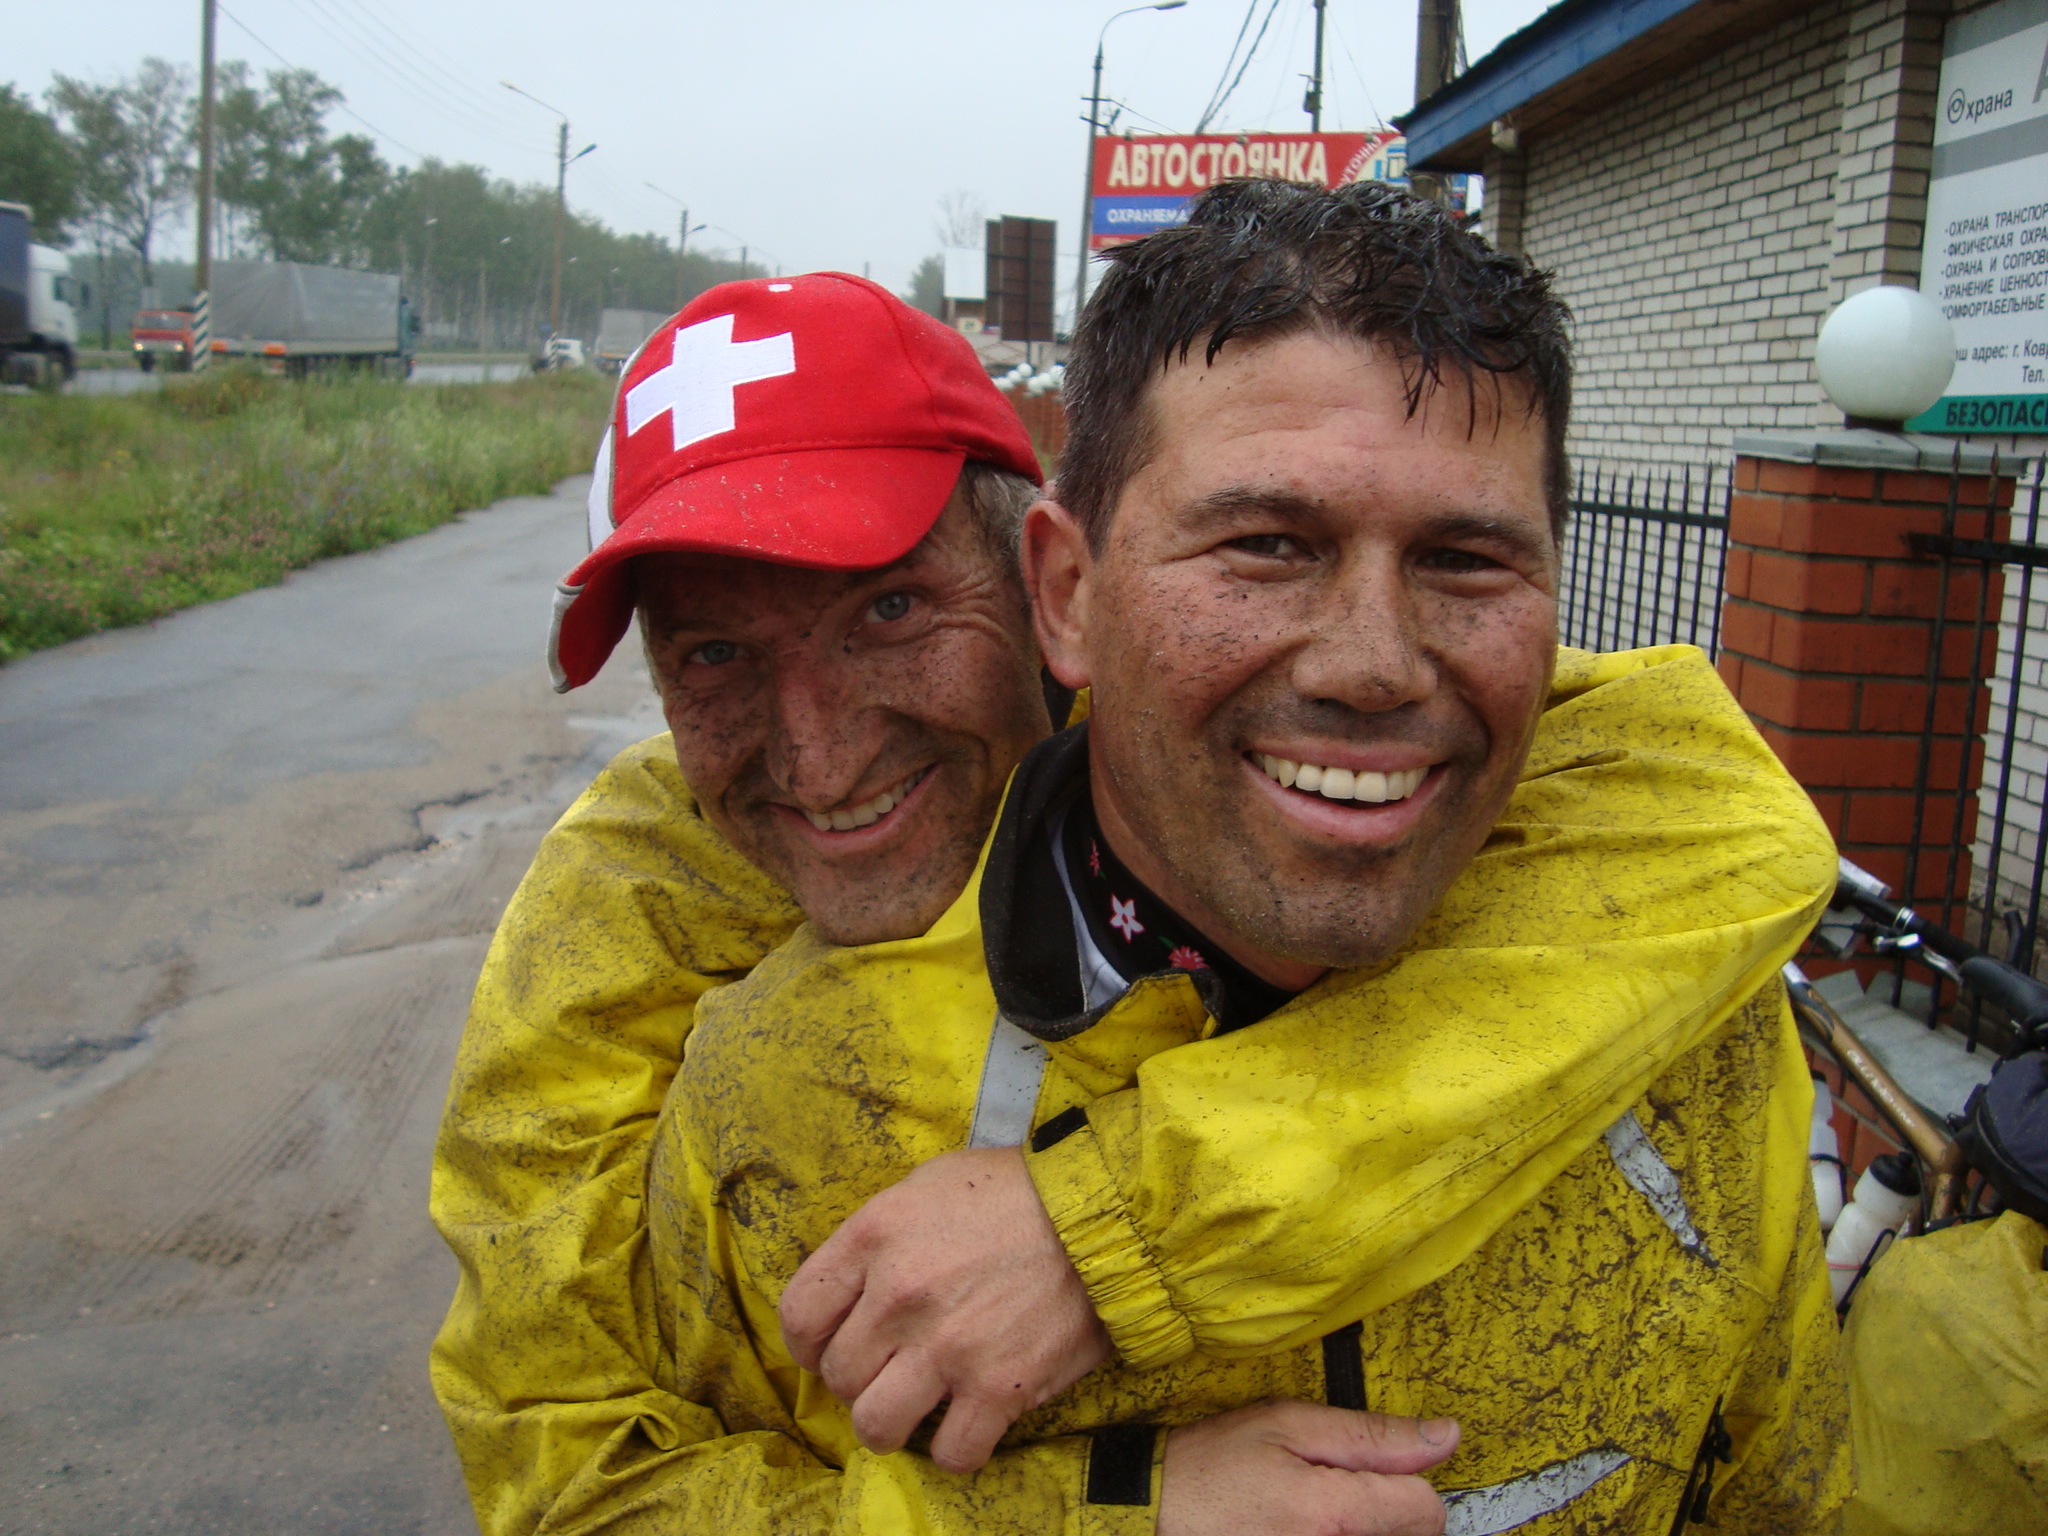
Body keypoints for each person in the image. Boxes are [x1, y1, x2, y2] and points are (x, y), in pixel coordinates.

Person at [431, 238, 1842, 1534]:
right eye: (713, 657)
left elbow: (1738, 818)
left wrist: (1098, 1228)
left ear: (1044, 585)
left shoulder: (1417, 763)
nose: (821, 755)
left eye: (893, 609)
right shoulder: (653, 920)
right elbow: (560, 1456)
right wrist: (1102, 1514)